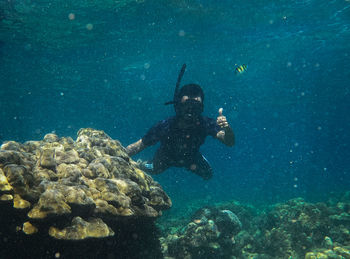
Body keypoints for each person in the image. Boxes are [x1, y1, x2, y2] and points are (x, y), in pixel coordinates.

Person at [126, 64, 234, 180]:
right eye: (187, 106)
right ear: (178, 107)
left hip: (191, 158)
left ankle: (191, 165)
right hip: (164, 158)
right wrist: (116, 154)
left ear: (201, 109)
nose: (190, 112)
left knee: (208, 174)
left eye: (195, 108)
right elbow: (139, 145)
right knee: (151, 168)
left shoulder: (205, 123)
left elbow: (229, 142)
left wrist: (227, 129)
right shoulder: (165, 126)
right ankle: (143, 163)